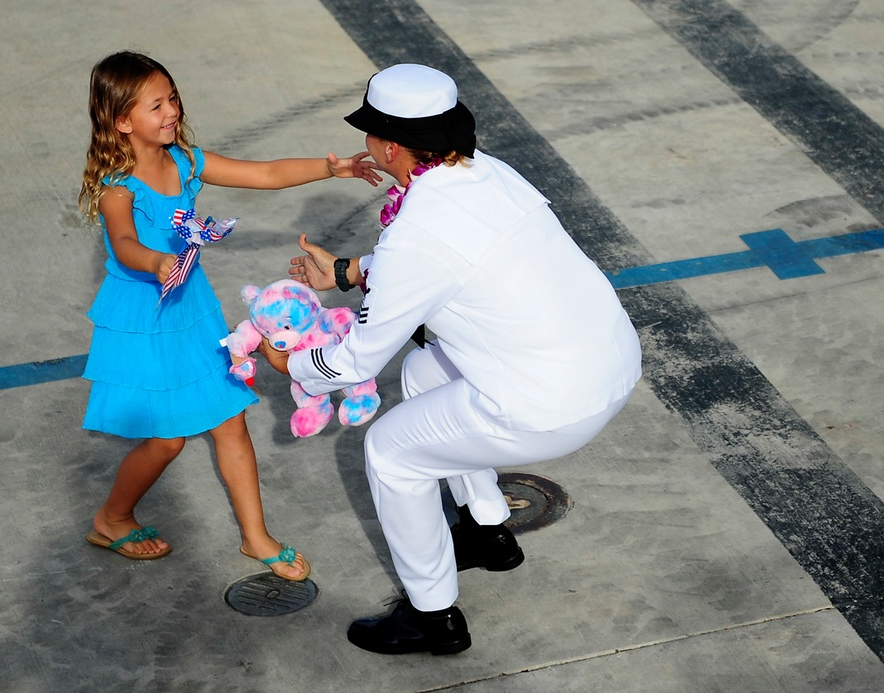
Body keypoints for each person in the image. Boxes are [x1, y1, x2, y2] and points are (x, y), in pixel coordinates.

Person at [261, 63, 642, 651]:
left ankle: (432, 616)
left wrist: (293, 366)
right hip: (605, 363)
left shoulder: (417, 230)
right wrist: (345, 272)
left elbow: (357, 360)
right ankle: (488, 532)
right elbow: (438, 258)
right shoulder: (488, 173)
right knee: (421, 373)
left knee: (390, 452)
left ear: (389, 147)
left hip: (549, 402)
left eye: (368, 132)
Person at [77, 51, 381, 580]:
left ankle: (256, 538)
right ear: (122, 121)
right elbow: (125, 244)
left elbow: (264, 174)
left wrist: (330, 167)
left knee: (229, 420)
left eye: (172, 97)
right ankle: (113, 516)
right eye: (156, 105)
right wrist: (158, 260)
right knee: (167, 440)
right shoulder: (117, 188)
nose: (172, 110)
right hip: (145, 317)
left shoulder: (185, 163)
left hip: (191, 306)